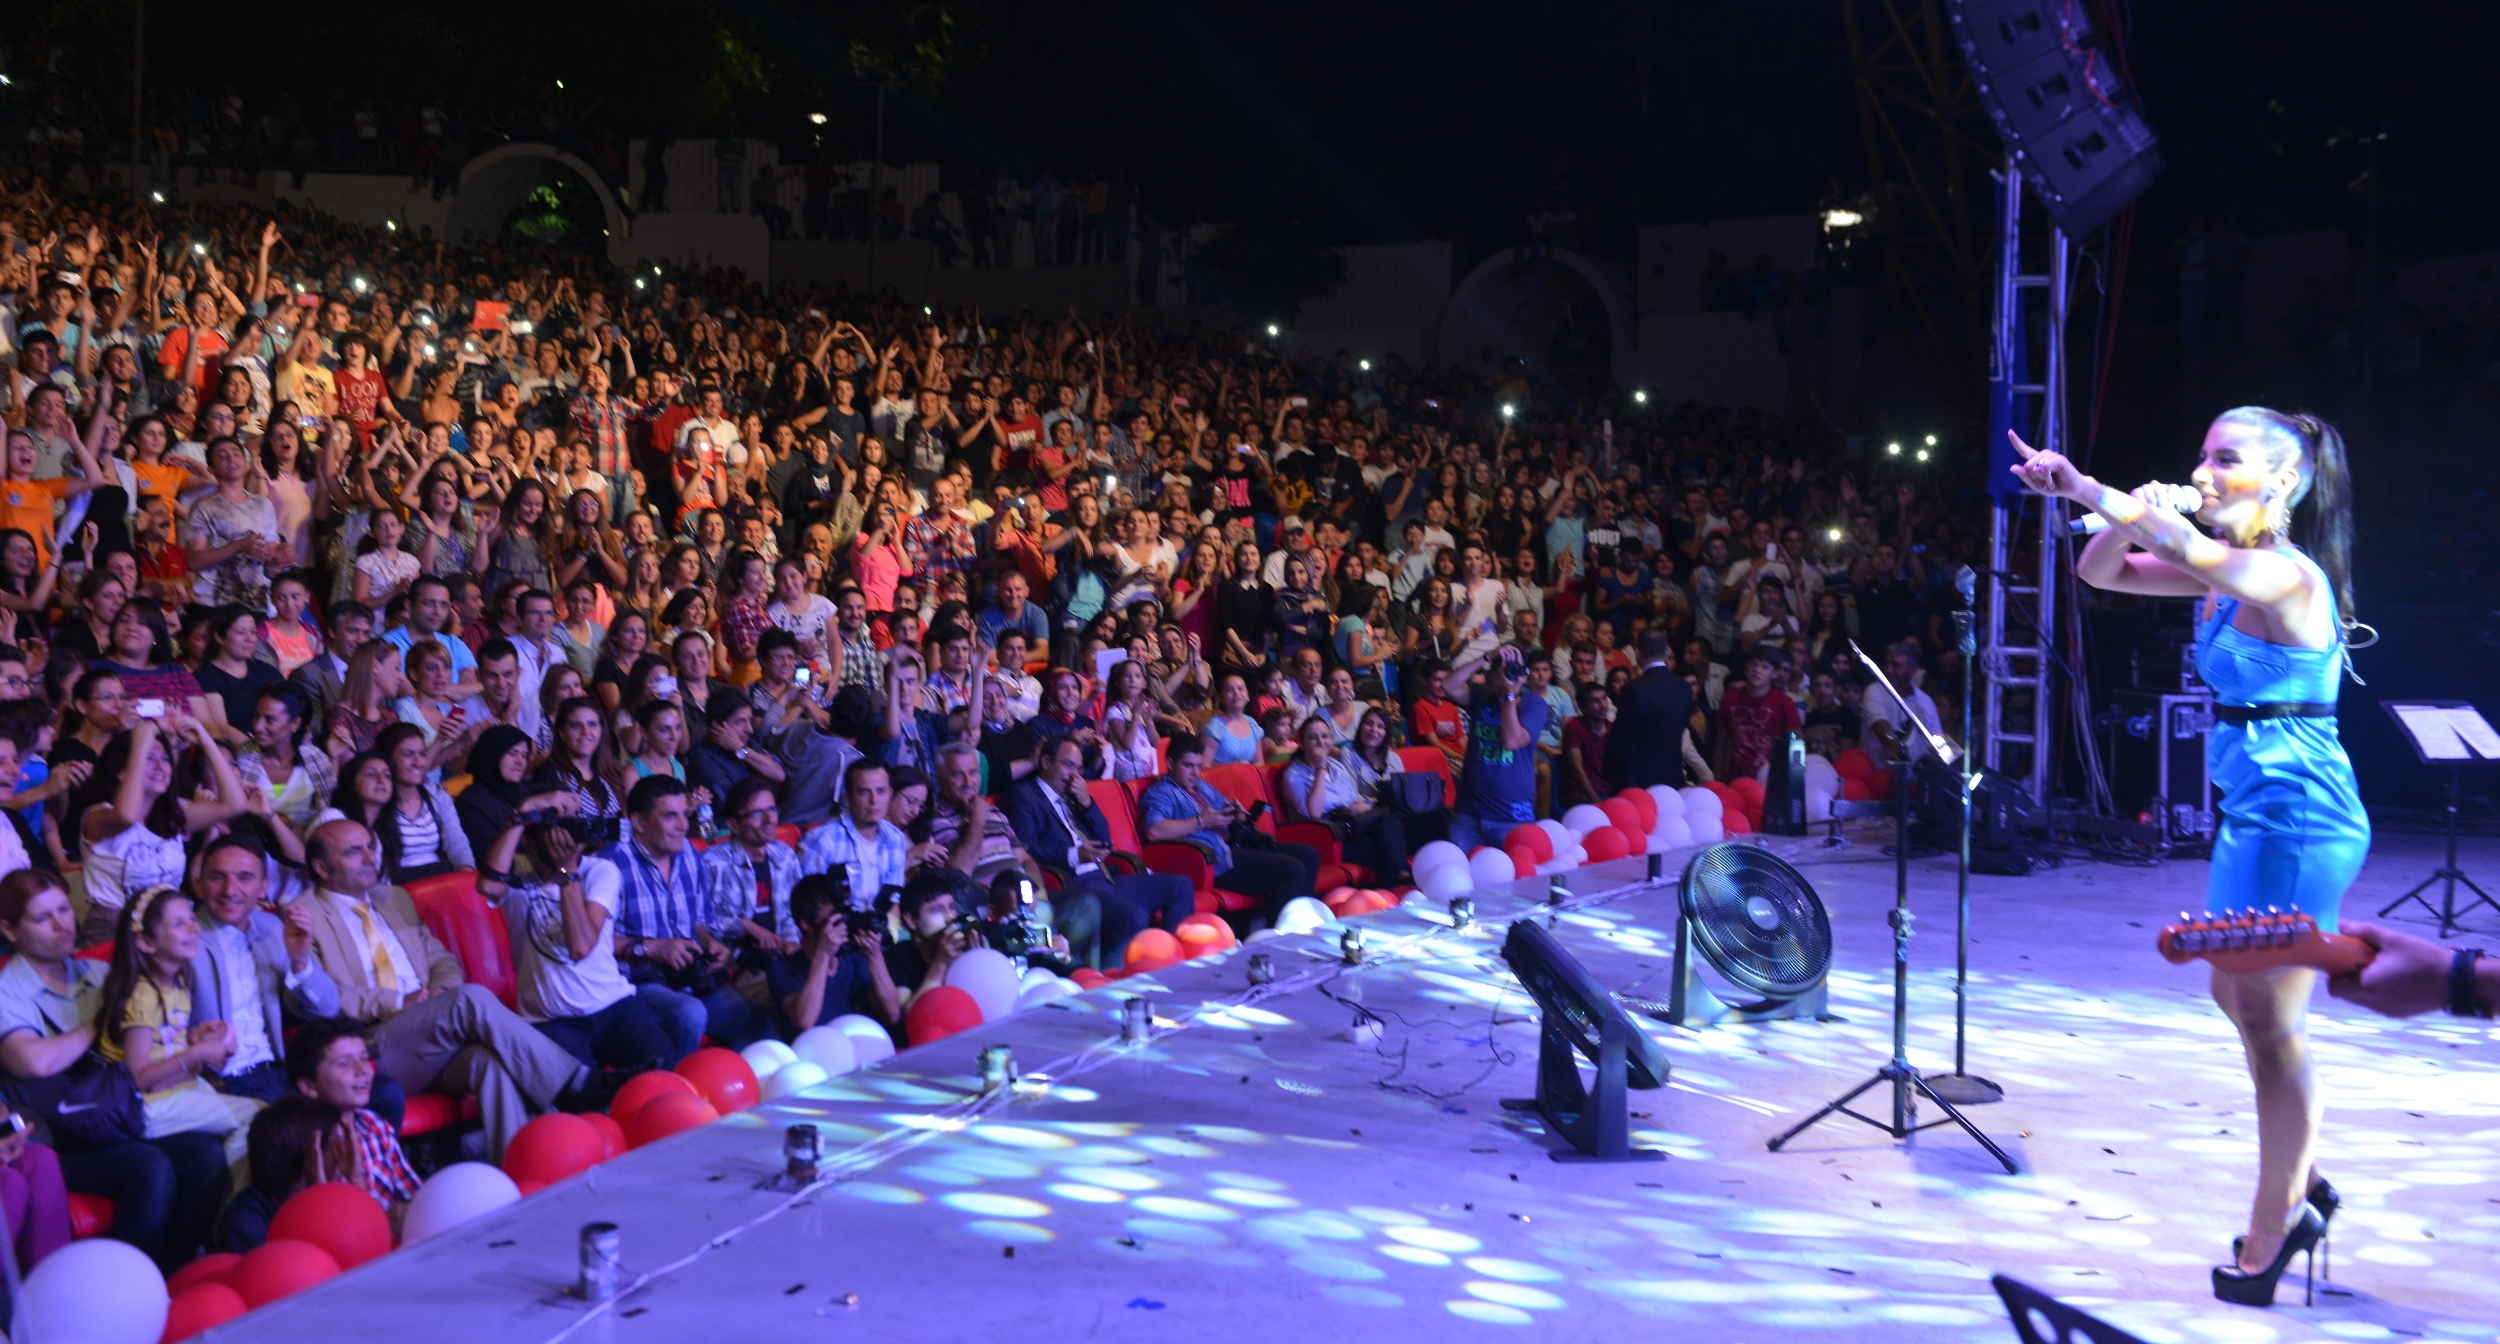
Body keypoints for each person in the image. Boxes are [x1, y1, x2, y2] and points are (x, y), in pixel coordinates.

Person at [2012, 406, 2367, 1306]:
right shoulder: (2217, 573)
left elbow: (2183, 547)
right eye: (2201, 455)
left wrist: (2089, 488)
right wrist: (2121, 512)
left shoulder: (2282, 575)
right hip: (2252, 814)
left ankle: (2277, 1225)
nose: (2203, 471)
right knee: (2232, 993)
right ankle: (2301, 1178)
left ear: (2282, 482)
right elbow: (2102, 571)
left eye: (2225, 458)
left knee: (2272, 1021)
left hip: (2301, 817)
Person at [292, 818, 595, 1163]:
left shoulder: (393, 899)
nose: (369, 857)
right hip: (373, 1044)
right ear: (321, 868)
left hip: (432, 1030)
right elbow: (329, 998)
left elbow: (443, 962)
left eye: (370, 847)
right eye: (353, 852)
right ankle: (574, 1085)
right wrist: (401, 1001)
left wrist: (440, 993)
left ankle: (521, 1168)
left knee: (488, 1065)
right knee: (470, 999)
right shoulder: (305, 916)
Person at [479, 815, 679, 1076]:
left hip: (611, 1004)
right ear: (529, 842)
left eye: (570, 827)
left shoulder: (599, 870)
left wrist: (568, 870)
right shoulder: (517, 875)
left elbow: (582, 946)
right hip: (550, 1020)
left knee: (663, 1069)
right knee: (578, 1092)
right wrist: (522, 813)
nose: (567, 840)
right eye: (554, 831)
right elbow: (487, 884)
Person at [598, 776, 765, 1054]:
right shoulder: (610, 863)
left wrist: (710, 944)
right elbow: (591, 943)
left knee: (760, 1016)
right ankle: (672, 1082)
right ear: (638, 822)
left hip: (688, 978)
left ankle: (727, 1079)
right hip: (635, 985)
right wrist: (653, 948)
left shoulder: (688, 853)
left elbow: (698, 921)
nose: (683, 825)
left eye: (684, 815)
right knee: (689, 1014)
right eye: (669, 816)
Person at [1003, 736, 1194, 966]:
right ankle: (1109, 977)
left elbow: (1105, 838)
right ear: (1045, 762)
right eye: (1068, 765)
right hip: (1076, 887)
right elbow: (1026, 850)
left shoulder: (1073, 795)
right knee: (1133, 917)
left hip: (1106, 878)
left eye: (1079, 769)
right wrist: (1074, 856)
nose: (1074, 775)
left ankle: (1174, 964)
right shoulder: (1023, 797)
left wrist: (1087, 803)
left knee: (1181, 886)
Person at [81, 712, 251, 945]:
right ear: (122, 770)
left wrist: (206, 741)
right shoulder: (97, 816)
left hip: (167, 926)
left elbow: (235, 805)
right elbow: (126, 816)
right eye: (150, 758)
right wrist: (141, 741)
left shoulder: (174, 813)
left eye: (165, 759)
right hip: (114, 930)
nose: (161, 766)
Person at [1140, 733, 1320, 919]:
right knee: (1292, 870)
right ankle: (1281, 932)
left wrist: (1237, 814)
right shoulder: (1161, 792)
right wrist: (1201, 822)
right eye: (1188, 766)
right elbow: (1154, 831)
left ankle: (1302, 921)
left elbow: (1225, 810)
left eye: (1198, 766)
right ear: (1170, 763)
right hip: (1211, 861)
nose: (1195, 773)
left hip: (1235, 845)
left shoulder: (1202, 787)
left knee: (1308, 855)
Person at [1280, 716, 1412, 886]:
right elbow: (1314, 813)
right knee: (1383, 845)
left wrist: (1362, 807)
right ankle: (1400, 882)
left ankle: (1396, 882)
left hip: (1351, 824)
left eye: (1325, 736)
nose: (1321, 742)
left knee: (1388, 823)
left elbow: (1351, 799)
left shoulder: (1336, 767)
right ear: (1302, 743)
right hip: (1326, 835)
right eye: (1313, 738)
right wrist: (1320, 768)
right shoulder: (1293, 775)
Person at [1443, 645, 1548, 851]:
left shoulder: (1534, 704)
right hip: (1469, 814)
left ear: (1525, 676)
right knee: (1461, 870)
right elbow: (1448, 684)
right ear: (1493, 676)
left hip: (1512, 816)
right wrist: (1487, 656)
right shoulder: (1482, 696)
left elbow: (1512, 741)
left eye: (1516, 670)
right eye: (1505, 670)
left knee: (1513, 871)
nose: (1512, 675)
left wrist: (1509, 696)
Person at [770, 873, 903, 1034]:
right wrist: (823, 954)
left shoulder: (854, 957)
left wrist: (874, 955)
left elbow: (892, 1015)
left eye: (845, 913)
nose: (843, 923)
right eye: (834, 917)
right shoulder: (782, 967)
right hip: (812, 1047)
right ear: (806, 924)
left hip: (857, 1043)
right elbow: (804, 1021)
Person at [798, 758, 910, 909]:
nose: (874, 800)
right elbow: (807, 906)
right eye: (864, 792)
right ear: (848, 798)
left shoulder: (895, 838)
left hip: (880, 921)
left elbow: (893, 898)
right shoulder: (823, 840)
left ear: (890, 794)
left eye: (881, 791)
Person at [1606, 629, 1692, 791]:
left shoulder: (1634, 690)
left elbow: (1621, 737)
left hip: (1638, 779)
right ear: (1667, 650)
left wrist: (1610, 772)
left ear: (1637, 652)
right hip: (1672, 775)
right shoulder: (1684, 688)